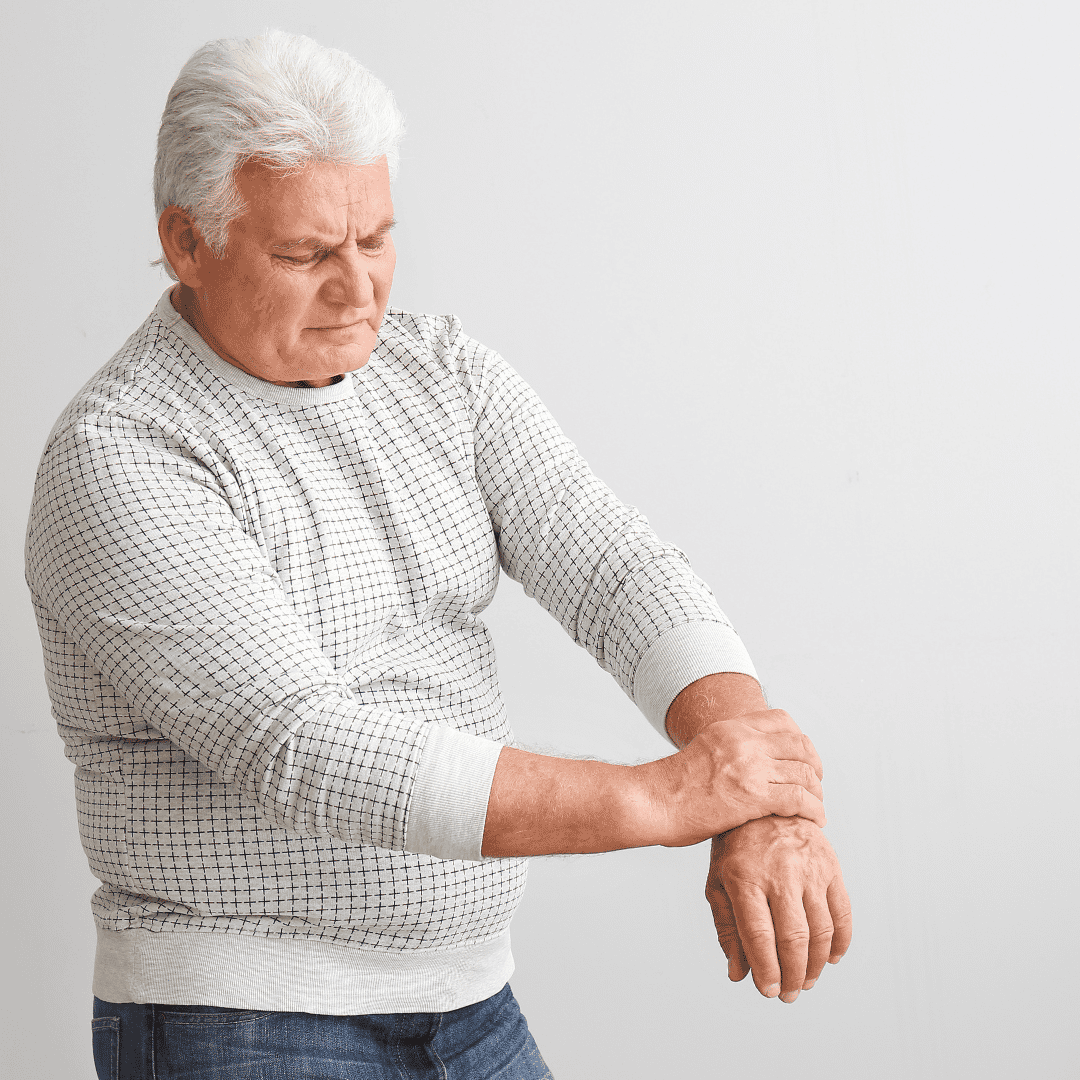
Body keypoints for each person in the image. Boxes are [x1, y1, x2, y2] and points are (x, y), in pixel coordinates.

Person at [25, 30, 851, 1080]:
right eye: (306, 254)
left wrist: (763, 794)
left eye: (376, 238)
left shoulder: (444, 371)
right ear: (188, 243)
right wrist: (671, 799)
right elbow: (304, 746)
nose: (357, 288)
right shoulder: (121, 455)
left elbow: (615, 566)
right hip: (239, 1022)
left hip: (472, 1005)